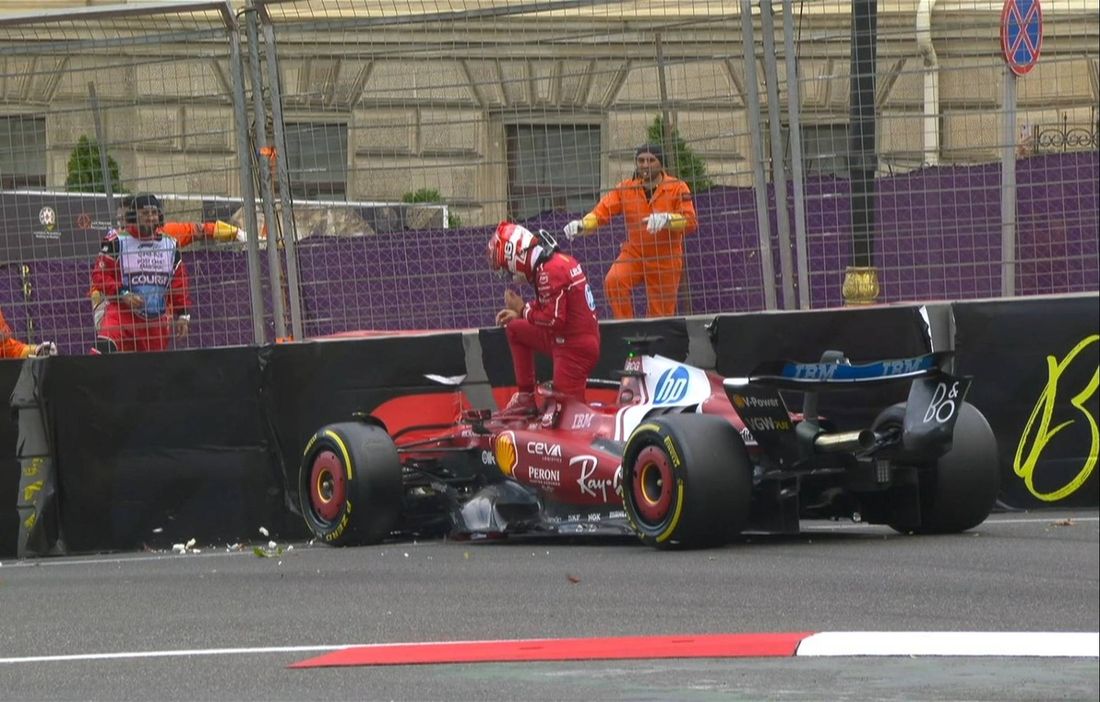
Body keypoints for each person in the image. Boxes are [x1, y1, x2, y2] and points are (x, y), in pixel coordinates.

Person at [563, 143, 698, 319]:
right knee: (614, 281)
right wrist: (583, 224)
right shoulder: (626, 188)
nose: (645, 165)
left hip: (666, 258)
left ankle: (655, 344)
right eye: (641, 160)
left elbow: (690, 221)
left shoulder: (677, 187)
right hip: (634, 252)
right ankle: (626, 326)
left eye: (651, 160)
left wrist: (667, 219)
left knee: (661, 314)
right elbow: (602, 211)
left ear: (661, 163)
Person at [487, 221, 601, 416]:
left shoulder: (549, 271)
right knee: (515, 328)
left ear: (517, 257)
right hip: (567, 338)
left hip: (574, 348)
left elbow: (553, 319)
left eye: (507, 269)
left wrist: (522, 309)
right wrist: (521, 313)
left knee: (569, 417)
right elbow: (551, 309)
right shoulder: (552, 264)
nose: (510, 276)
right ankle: (526, 398)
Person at [88, 193, 245, 332]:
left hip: (153, 319)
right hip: (118, 315)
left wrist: (236, 232)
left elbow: (198, 230)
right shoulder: (115, 242)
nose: (123, 224)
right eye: (120, 220)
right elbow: (99, 280)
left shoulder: (166, 238)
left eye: (126, 219)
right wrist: (103, 302)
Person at [90, 193, 192, 354]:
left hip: (155, 322)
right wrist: (123, 293)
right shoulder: (116, 241)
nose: (150, 217)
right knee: (101, 353)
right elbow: (99, 275)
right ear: (133, 215)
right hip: (121, 315)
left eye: (154, 213)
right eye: (145, 213)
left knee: (151, 373)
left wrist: (183, 314)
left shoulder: (170, 245)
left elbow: (179, 283)